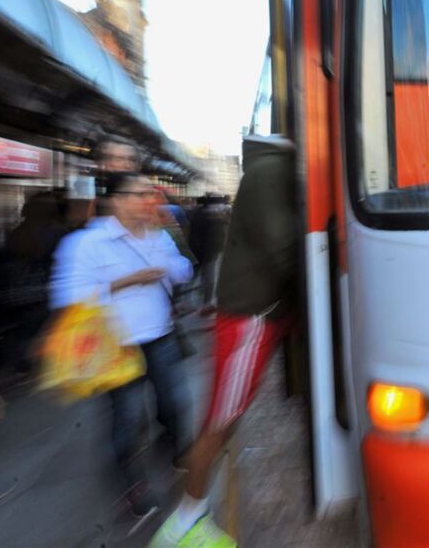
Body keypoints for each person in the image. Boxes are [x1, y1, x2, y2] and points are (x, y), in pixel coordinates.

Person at [151, 136, 297, 548]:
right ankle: (182, 526)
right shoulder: (272, 172)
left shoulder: (265, 169)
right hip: (251, 319)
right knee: (218, 424)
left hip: (252, 315)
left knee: (224, 420)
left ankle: (191, 517)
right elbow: (284, 249)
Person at [50, 172, 194, 521]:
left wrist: (172, 265)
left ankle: (176, 448)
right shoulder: (86, 243)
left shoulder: (158, 234)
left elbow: (185, 271)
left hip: (160, 337)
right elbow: (66, 297)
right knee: (127, 420)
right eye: (141, 194)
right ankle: (133, 487)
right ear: (116, 200)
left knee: (174, 403)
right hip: (116, 348)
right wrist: (124, 282)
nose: (150, 201)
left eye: (152, 194)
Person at [0, 191, 65, 377]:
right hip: (39, 298)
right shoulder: (56, 234)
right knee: (37, 336)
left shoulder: (17, 232)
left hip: (9, 297)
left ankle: (16, 370)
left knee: (17, 337)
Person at [188, 193, 228, 315]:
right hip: (206, 253)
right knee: (206, 278)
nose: (222, 206)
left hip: (204, 252)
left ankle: (203, 301)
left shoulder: (202, 213)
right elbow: (214, 237)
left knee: (200, 277)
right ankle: (206, 303)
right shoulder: (209, 216)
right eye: (220, 204)